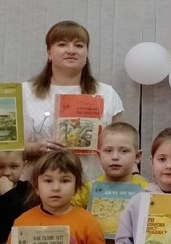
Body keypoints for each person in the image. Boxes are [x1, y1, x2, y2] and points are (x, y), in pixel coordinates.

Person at [22, 21, 124, 187]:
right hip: (38, 187)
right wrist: (33, 148)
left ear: (86, 53)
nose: (71, 50)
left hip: (92, 186)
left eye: (79, 45)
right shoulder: (25, 92)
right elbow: (6, 147)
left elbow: (122, 144)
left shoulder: (107, 93)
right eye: (62, 44)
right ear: (49, 53)